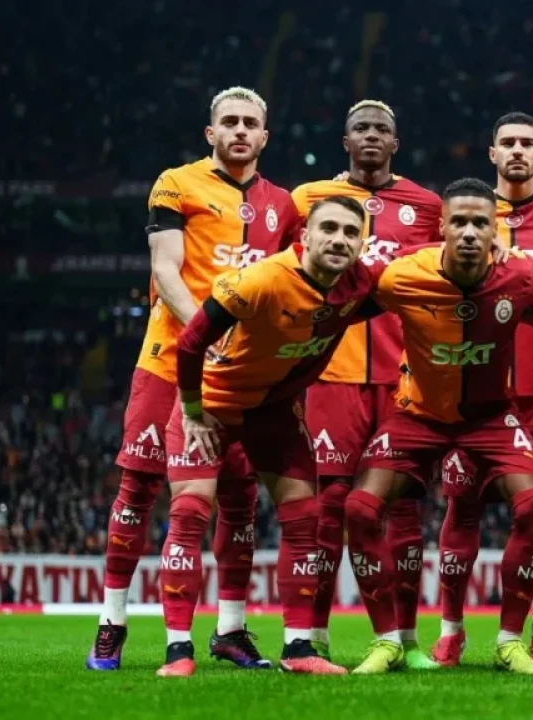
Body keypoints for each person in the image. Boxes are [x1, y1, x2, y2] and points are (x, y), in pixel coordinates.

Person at [88, 87, 295, 672]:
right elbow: (164, 268)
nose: (239, 131)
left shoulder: (284, 205)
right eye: (229, 122)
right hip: (167, 359)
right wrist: (210, 333)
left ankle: (230, 629)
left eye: (250, 123)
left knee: (240, 499)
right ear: (211, 133)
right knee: (138, 490)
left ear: (264, 137)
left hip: (242, 376)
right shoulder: (176, 183)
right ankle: (112, 621)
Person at [341, 178, 533, 675]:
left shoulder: (519, 274)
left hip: (490, 417)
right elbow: (340, 302)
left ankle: (509, 642)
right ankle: (388, 641)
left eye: (480, 223)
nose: (468, 232)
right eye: (458, 221)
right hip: (418, 415)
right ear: (440, 227)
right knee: (359, 507)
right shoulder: (402, 274)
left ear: (494, 230)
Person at [159, 195, 381, 676]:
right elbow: (191, 342)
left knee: (305, 516)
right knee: (191, 512)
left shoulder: (361, 283)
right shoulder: (261, 280)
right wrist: (193, 412)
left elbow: (423, 269)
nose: (339, 240)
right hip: (213, 403)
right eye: (329, 228)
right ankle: (178, 651)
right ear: (306, 235)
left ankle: (298, 649)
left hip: (273, 409)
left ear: (362, 243)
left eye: (351, 232)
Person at [291, 99, 442, 668]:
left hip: (405, 379)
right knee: (329, 506)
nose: (372, 136)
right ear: (345, 141)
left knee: (403, 509)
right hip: (332, 375)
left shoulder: (427, 206)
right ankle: (315, 634)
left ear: (395, 144)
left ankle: (407, 639)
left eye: (382, 129)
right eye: (361, 128)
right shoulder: (309, 200)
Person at [432, 111, 533, 668]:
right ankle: (450, 629)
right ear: (492, 153)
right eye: (508, 143)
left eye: (527, 143)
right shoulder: (465, 215)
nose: (518, 150)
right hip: (476, 395)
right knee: (462, 508)